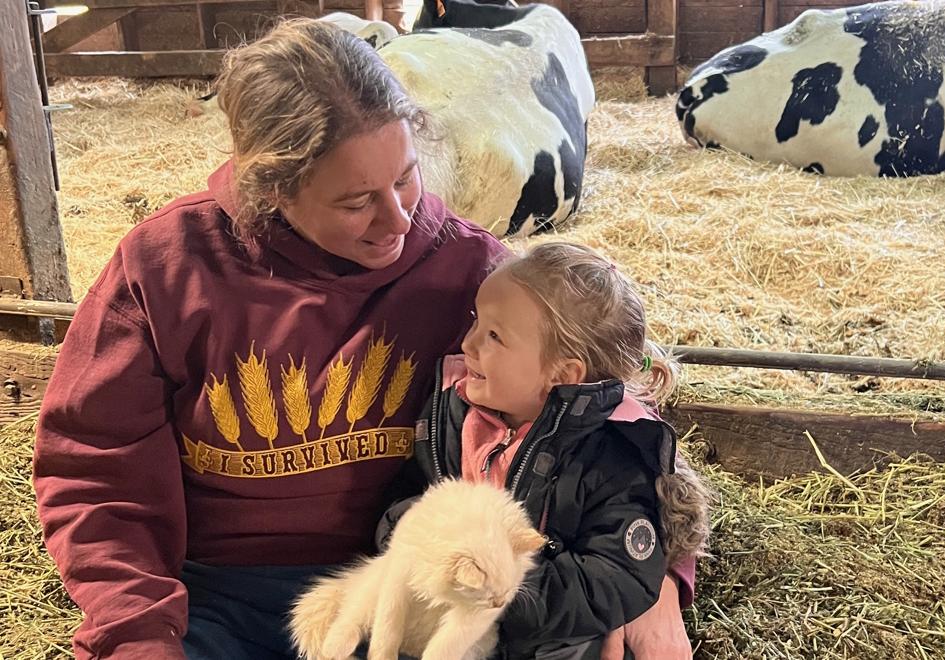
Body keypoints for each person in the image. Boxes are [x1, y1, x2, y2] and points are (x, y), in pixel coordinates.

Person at [32, 17, 693, 660]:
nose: (400, 218)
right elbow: (95, 468)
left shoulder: (473, 272)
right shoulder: (166, 268)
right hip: (215, 600)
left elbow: (614, 409)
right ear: (273, 189)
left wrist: (657, 577)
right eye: (356, 202)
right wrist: (138, 631)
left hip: (409, 589)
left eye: (406, 176)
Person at [368, 242, 710, 658]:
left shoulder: (610, 456)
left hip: (541, 631)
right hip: (451, 606)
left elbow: (617, 575)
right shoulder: (453, 413)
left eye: (494, 335)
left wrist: (504, 589)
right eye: (476, 321)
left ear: (560, 375)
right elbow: (411, 493)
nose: (468, 343)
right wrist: (408, 534)